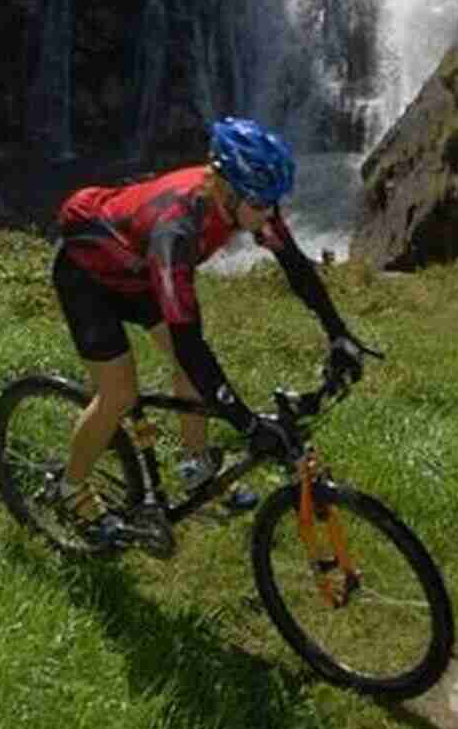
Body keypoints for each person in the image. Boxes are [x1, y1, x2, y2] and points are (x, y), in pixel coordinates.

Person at [50, 116, 364, 547]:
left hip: (137, 273)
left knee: (188, 370)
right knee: (120, 393)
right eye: (260, 203)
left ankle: (194, 467)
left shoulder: (246, 204)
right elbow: (190, 341)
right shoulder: (176, 230)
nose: (270, 213)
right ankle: (70, 487)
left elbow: (295, 266)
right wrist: (247, 425)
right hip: (88, 277)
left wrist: (338, 334)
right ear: (225, 190)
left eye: (274, 202)